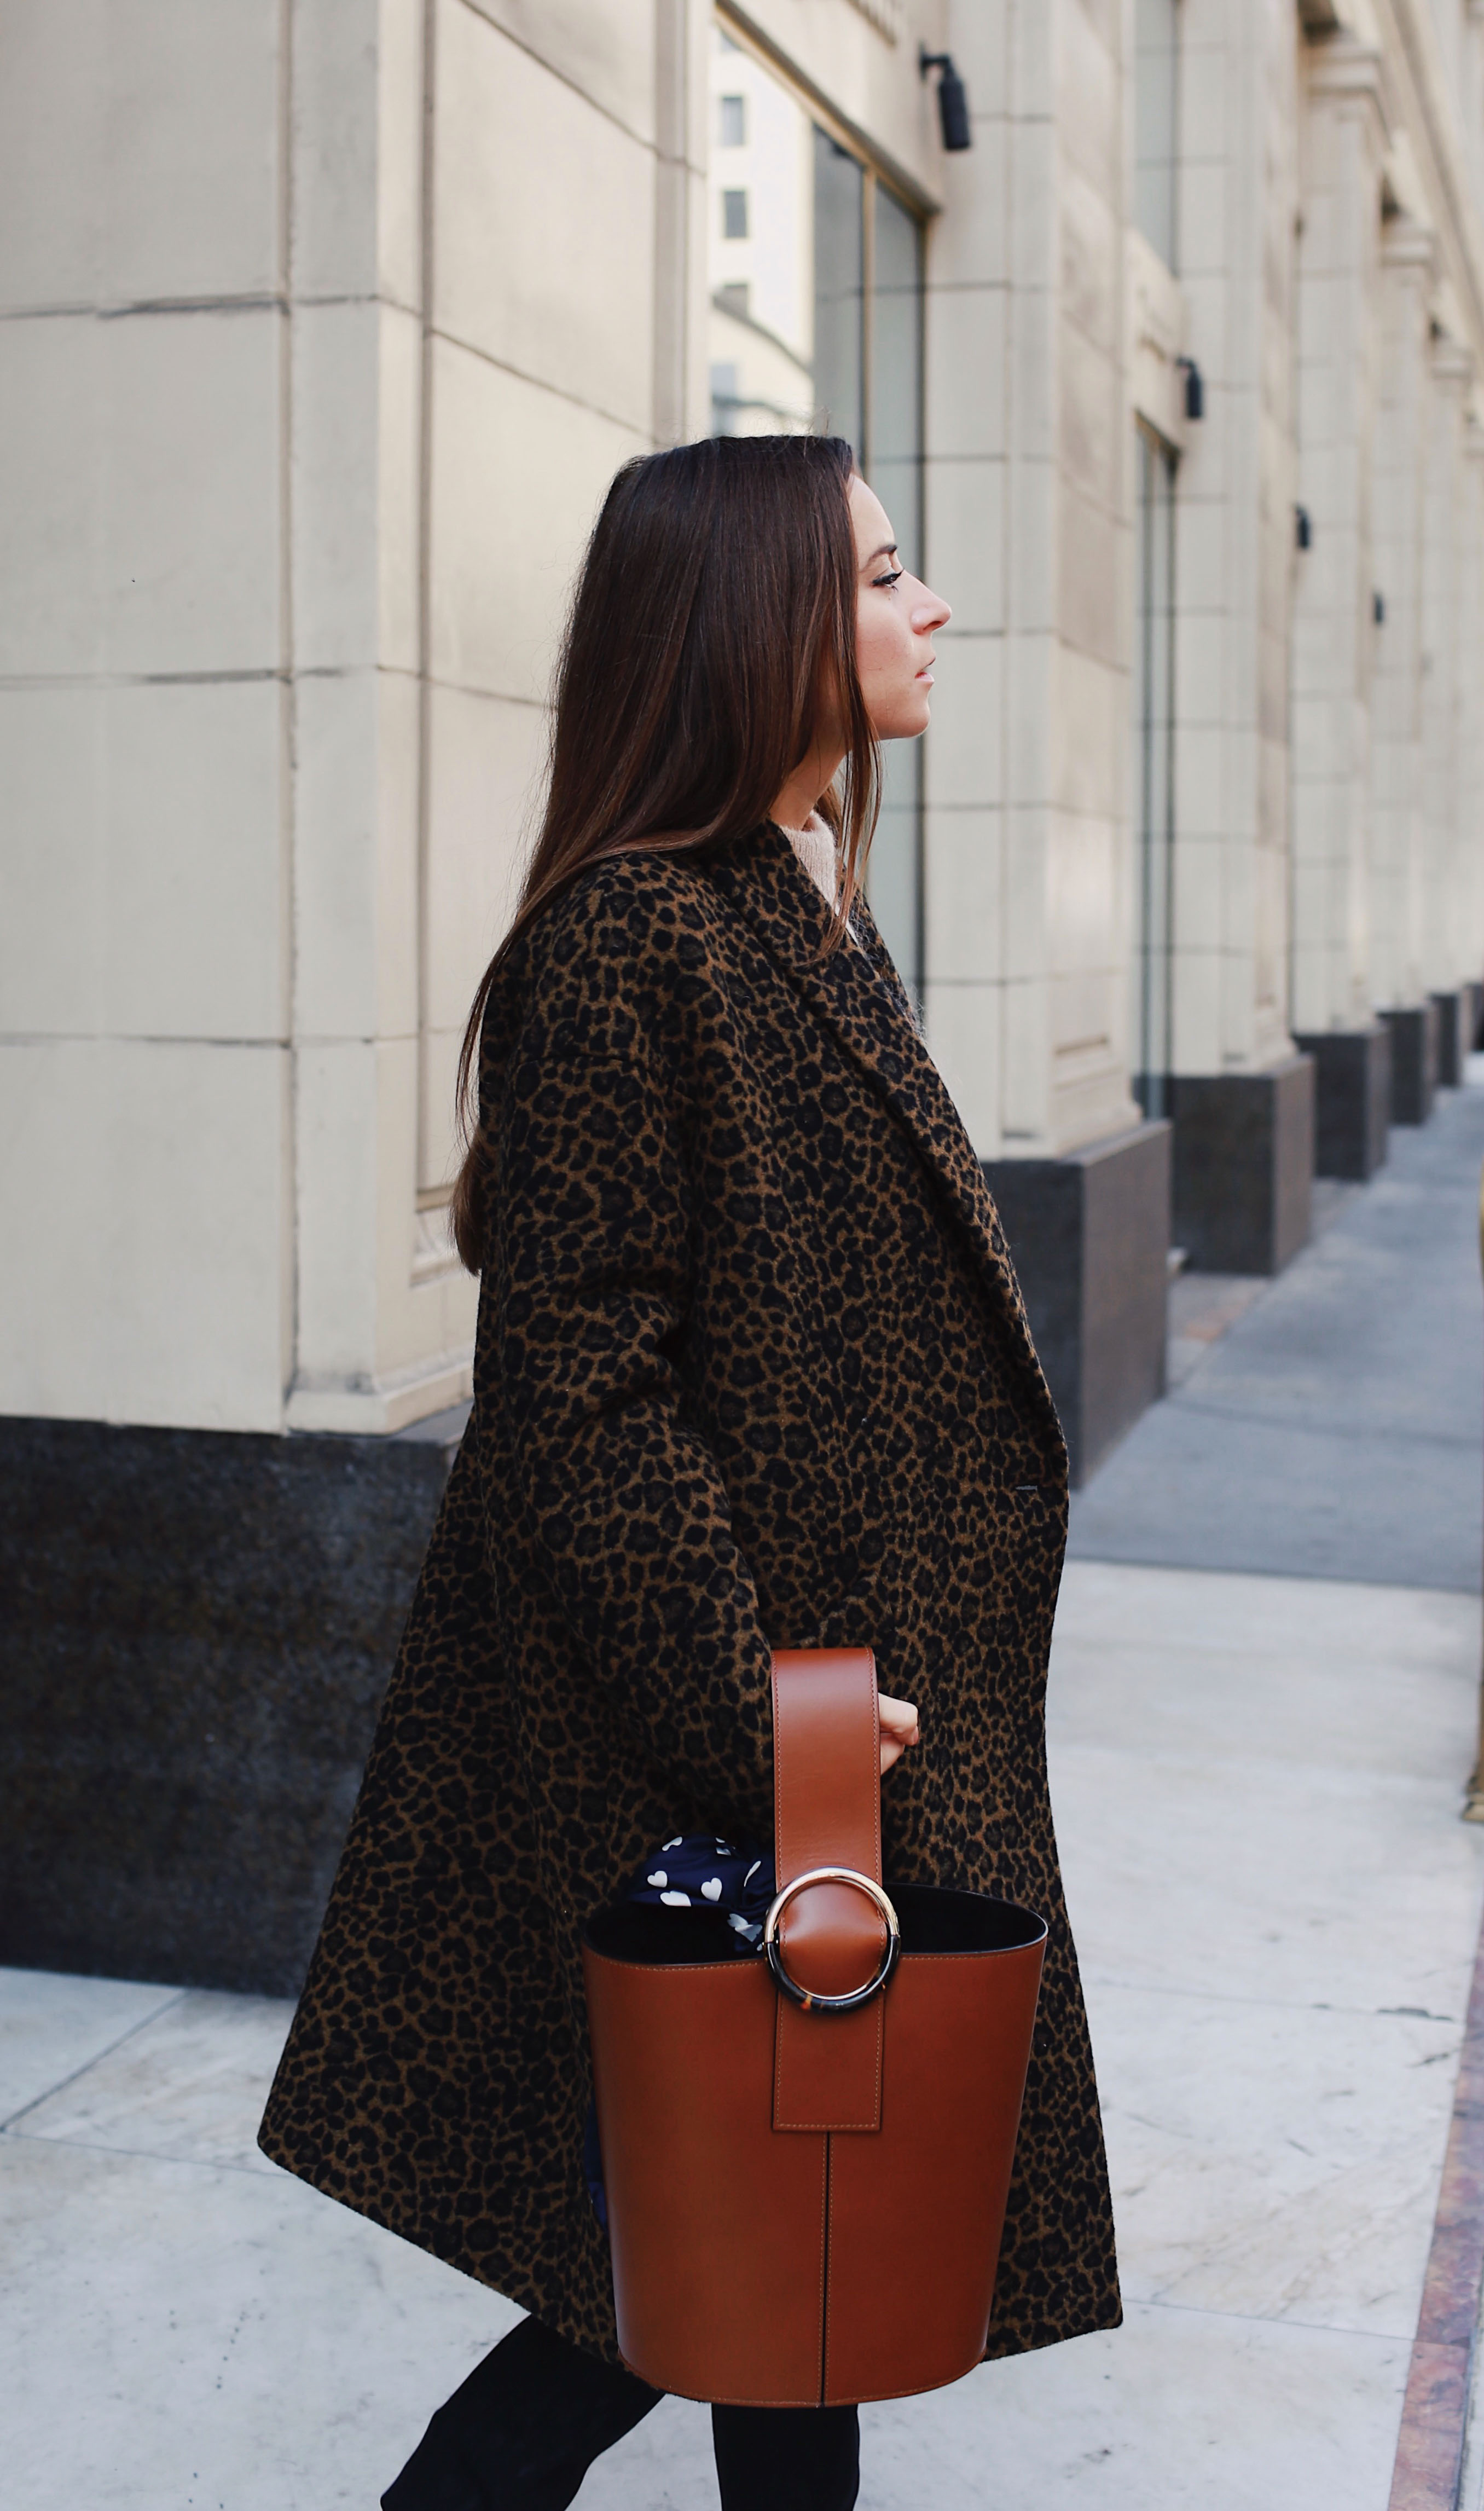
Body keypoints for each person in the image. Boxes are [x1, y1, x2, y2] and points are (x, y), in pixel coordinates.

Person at [259, 432, 1120, 2510]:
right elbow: (580, 1394)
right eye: (888, 573)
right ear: (757, 626)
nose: (934, 609)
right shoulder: (631, 941)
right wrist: (760, 1726)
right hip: (713, 1754)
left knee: (751, 2270)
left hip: (829, 1736)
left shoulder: (796, 906)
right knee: (696, 2270)